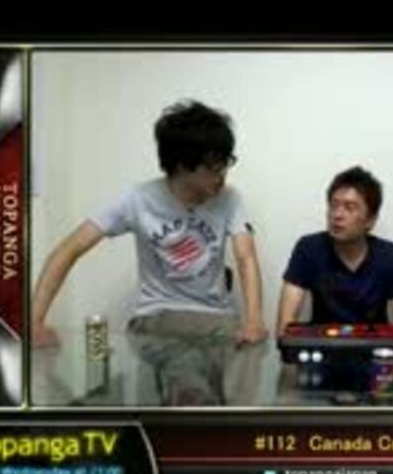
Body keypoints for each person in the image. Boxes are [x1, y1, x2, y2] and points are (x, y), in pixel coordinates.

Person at [30, 99, 268, 404]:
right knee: (183, 378)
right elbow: (69, 249)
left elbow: (246, 257)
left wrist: (254, 320)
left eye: (226, 162)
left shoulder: (229, 198)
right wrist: (34, 323)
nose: (223, 175)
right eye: (213, 166)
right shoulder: (139, 199)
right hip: (158, 318)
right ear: (182, 165)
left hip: (217, 320)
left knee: (250, 365)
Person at [275, 166, 393, 333]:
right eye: (333, 205)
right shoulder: (308, 248)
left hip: (374, 346)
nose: (337, 215)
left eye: (349, 208)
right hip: (322, 344)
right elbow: (285, 326)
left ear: (371, 220)